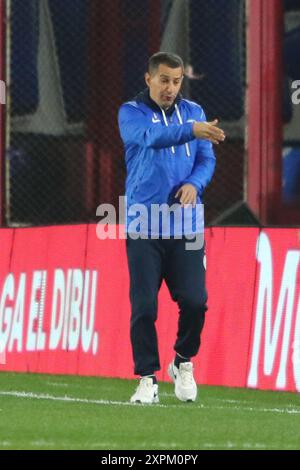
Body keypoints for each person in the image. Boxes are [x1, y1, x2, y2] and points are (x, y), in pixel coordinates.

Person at [118, 52, 225, 404]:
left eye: (177, 81)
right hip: (144, 227)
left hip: (186, 228)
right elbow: (151, 137)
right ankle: (147, 378)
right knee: (145, 306)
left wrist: (196, 182)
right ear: (149, 78)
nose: (170, 88)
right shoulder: (131, 113)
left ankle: (182, 361)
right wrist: (192, 130)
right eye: (164, 80)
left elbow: (206, 159)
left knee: (196, 302)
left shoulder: (193, 111)